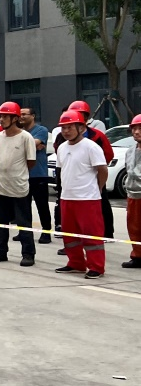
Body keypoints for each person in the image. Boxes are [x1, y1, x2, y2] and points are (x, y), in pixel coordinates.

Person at [55, 110, 107, 278]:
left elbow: (102, 170)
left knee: (92, 235)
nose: (66, 131)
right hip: (67, 198)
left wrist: (98, 188)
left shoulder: (91, 147)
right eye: (63, 128)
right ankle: (76, 263)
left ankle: (96, 267)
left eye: (70, 127)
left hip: (87, 199)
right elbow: (63, 170)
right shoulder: (62, 148)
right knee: (70, 234)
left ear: (82, 128)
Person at [0, 102, 37, 267]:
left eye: (5, 116)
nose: (1, 119)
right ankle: (0, 251)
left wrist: (18, 174)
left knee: (23, 222)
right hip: (1, 185)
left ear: (15, 118)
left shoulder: (25, 137)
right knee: (0, 222)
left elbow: (31, 162)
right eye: (0, 116)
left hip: (19, 186)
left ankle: (28, 253)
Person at [18, 107, 53, 244]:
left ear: (33, 116)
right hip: (22, 174)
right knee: (23, 207)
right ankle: (25, 232)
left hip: (38, 174)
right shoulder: (18, 131)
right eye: (19, 114)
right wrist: (30, 145)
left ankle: (46, 232)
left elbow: (31, 144)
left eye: (24, 114)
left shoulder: (41, 130)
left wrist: (28, 145)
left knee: (42, 205)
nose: (21, 117)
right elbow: (28, 145)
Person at [123, 115, 141, 270]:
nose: (136, 132)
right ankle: (137, 255)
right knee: (134, 227)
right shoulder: (130, 151)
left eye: (140, 129)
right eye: (134, 129)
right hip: (133, 194)